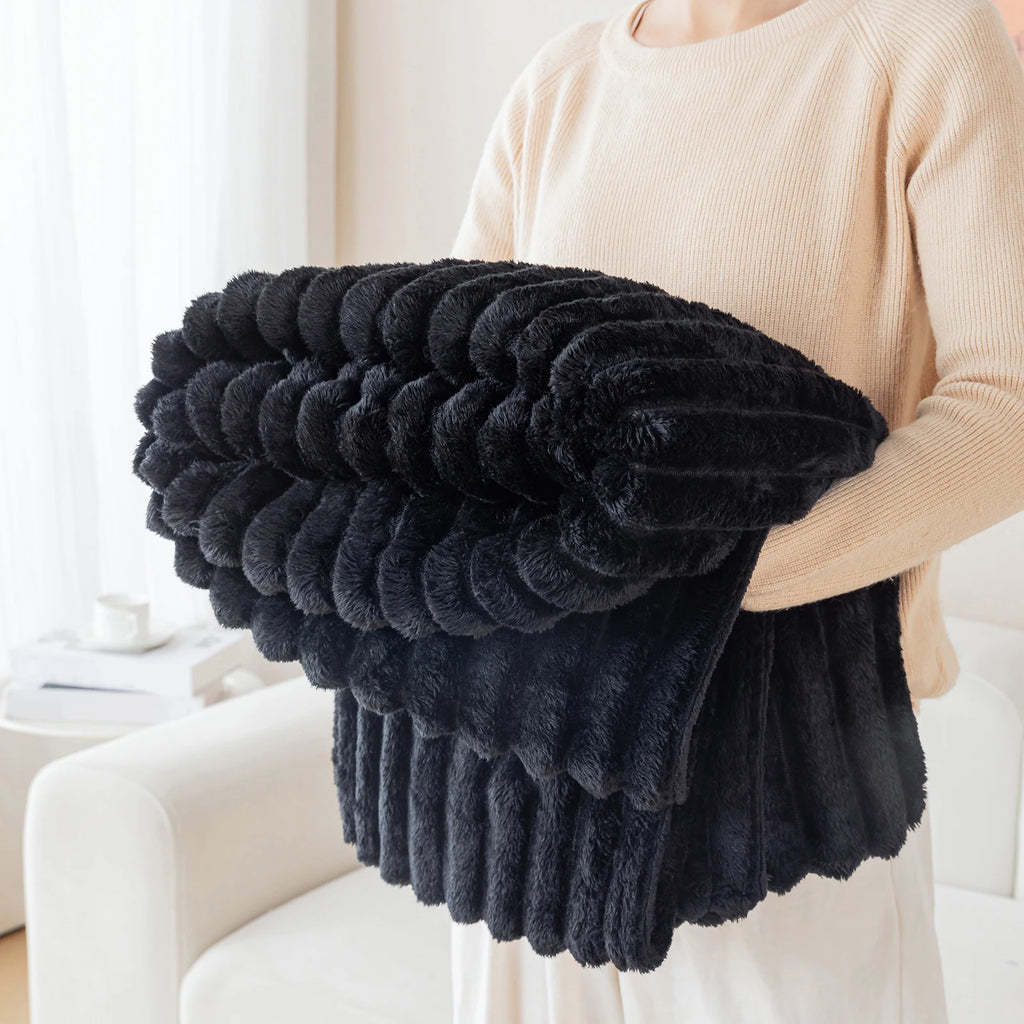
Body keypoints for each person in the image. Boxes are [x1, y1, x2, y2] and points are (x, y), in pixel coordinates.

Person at [445, 0, 1024, 1021]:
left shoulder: (924, 43)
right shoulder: (556, 87)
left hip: (793, 777)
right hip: (524, 779)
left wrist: (711, 569)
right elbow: (456, 402)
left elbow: (1007, 404)